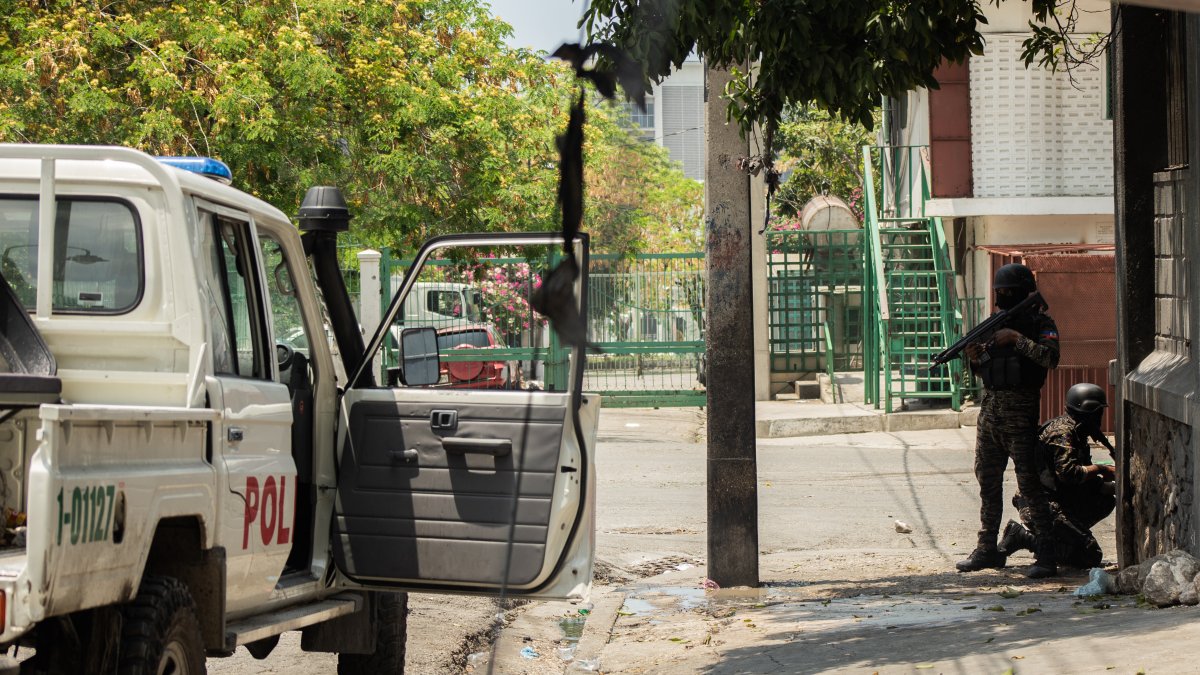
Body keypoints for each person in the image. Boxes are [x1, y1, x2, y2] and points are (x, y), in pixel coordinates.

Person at [956, 263, 1061, 578]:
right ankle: (987, 548)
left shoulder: (1041, 324)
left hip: (1020, 411)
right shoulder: (993, 324)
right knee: (987, 482)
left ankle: (1047, 554)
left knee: (1029, 483)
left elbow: (1050, 358)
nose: (1002, 295)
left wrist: (1016, 338)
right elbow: (987, 369)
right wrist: (976, 358)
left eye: (1007, 291)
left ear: (1023, 292)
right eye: (998, 291)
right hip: (990, 413)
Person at [999, 383, 1116, 568]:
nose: (1099, 418)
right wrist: (1102, 469)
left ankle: (1060, 539)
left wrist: (1118, 486)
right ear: (1087, 412)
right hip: (1039, 505)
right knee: (1089, 555)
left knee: (1106, 500)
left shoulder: (1076, 431)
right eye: (1097, 413)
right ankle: (1025, 538)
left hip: (1058, 498)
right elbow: (1069, 474)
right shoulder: (1063, 433)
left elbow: (1085, 484)